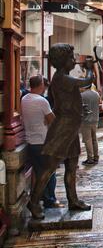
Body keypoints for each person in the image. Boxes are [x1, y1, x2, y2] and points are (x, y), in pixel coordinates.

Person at [27, 44, 94, 219]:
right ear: (63, 61)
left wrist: (78, 108)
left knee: (72, 165)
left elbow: (66, 102)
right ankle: (33, 202)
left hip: (71, 126)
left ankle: (73, 200)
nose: (73, 61)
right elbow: (87, 82)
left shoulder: (62, 78)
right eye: (71, 58)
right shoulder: (62, 78)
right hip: (63, 128)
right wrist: (90, 69)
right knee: (49, 168)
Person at [21, 75, 60, 209]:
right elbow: (53, 121)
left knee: (38, 172)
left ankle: (40, 198)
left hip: (31, 142)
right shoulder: (41, 101)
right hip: (43, 141)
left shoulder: (24, 99)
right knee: (50, 172)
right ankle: (49, 200)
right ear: (41, 85)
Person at [80, 84, 100, 165]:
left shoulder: (81, 95)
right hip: (95, 119)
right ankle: (96, 157)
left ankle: (90, 158)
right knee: (94, 139)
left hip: (86, 120)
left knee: (88, 140)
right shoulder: (96, 94)